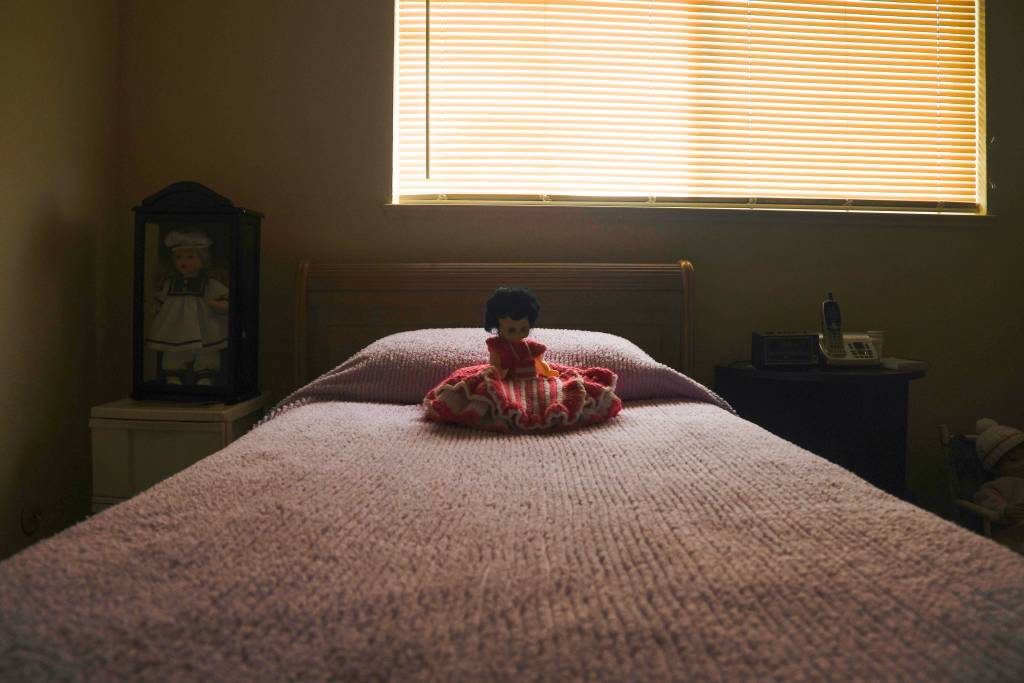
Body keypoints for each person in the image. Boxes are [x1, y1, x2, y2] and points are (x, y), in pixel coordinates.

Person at [423, 287, 620, 431]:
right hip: (507, 382)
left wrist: (548, 371)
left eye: (523, 328)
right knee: (488, 397)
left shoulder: (531, 347)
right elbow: (495, 367)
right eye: (511, 329)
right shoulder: (497, 346)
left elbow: (540, 364)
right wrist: (498, 375)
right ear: (498, 326)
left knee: (562, 393)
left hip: (532, 382)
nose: (518, 333)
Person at [146, 229, 229, 386]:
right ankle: (173, 374)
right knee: (175, 349)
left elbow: (224, 296)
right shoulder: (171, 282)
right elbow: (161, 298)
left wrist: (218, 304)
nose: (183, 262)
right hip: (176, 322)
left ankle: (205, 375)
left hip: (201, 322)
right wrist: (156, 307)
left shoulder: (207, 283)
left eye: (190, 257)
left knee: (206, 348)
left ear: (202, 259)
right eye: (179, 257)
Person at [973, 418, 1024, 553]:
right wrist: (1004, 511)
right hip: (1014, 537)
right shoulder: (995, 486)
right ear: (996, 468)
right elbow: (986, 502)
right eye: (1013, 460)